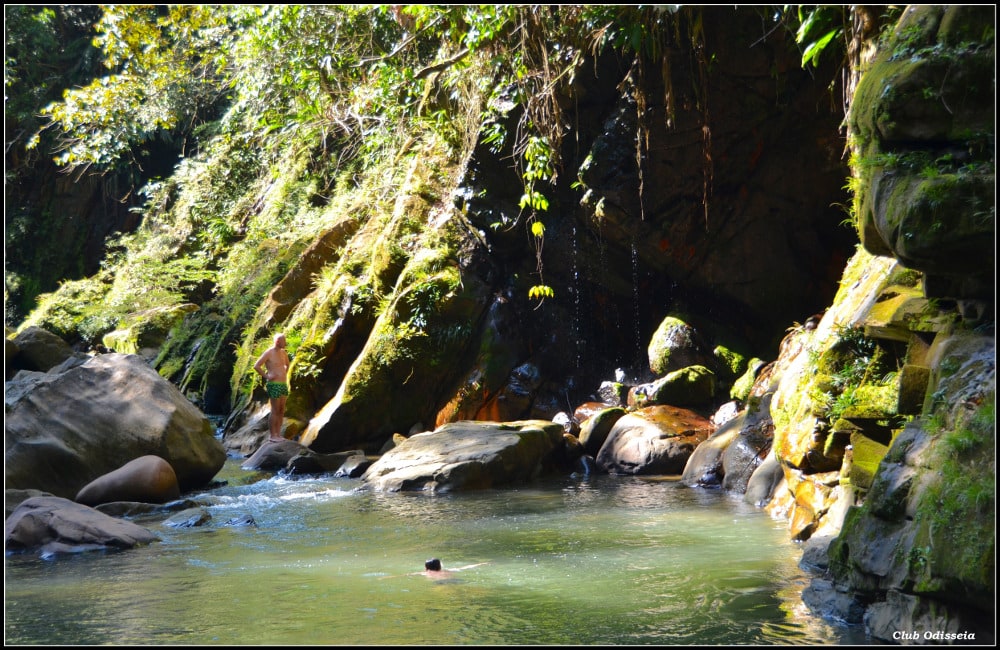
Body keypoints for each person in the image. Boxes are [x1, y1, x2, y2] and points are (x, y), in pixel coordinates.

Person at [254, 332, 290, 442]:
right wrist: (267, 376)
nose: (285, 343)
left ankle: (278, 434)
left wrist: (284, 373)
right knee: (275, 410)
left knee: (281, 410)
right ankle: (272, 435)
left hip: (283, 384)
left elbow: (287, 365)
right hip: (273, 385)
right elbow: (256, 366)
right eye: (284, 340)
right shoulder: (269, 353)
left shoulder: (283, 353)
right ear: (278, 341)